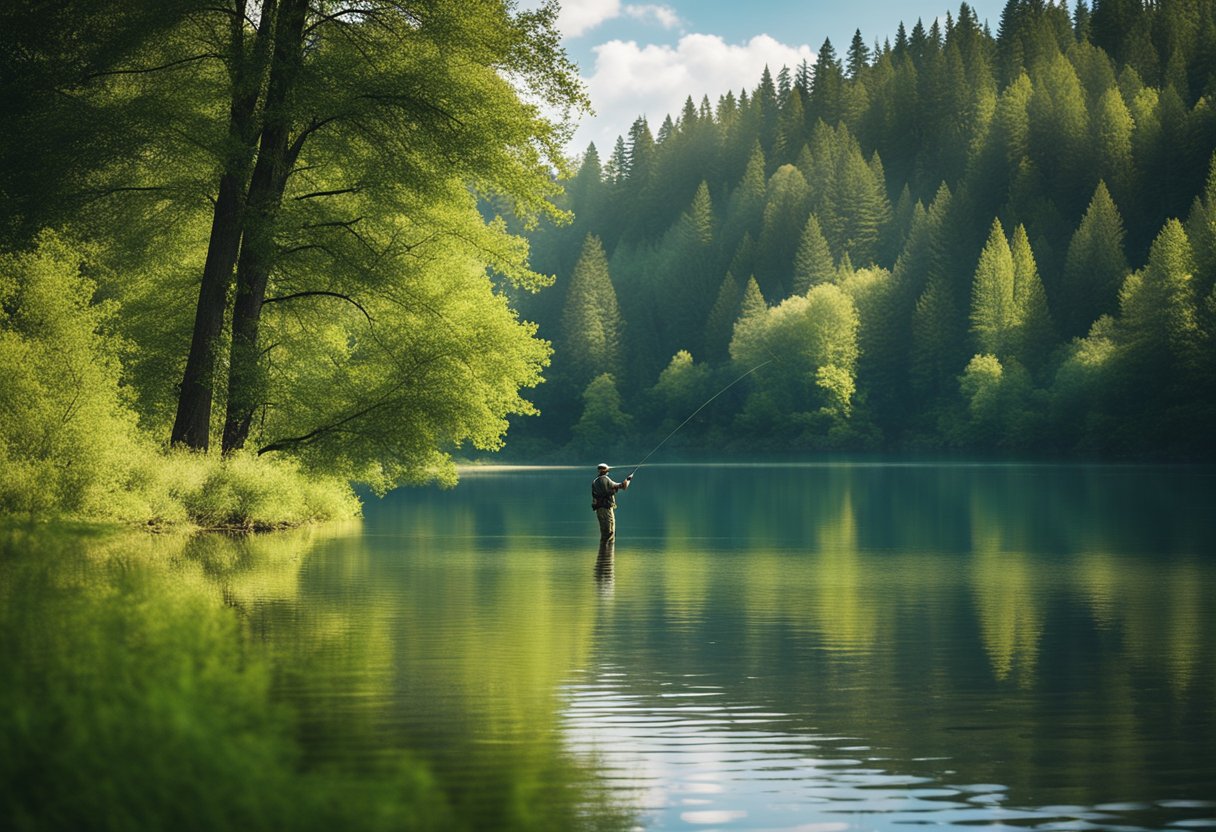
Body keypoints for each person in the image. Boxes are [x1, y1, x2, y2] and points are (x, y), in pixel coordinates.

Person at [591, 463, 631, 544]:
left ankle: (604, 551)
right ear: (606, 470)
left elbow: (618, 486)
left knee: (604, 530)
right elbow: (618, 487)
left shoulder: (596, 480)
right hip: (606, 508)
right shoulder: (605, 479)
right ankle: (607, 552)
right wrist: (627, 481)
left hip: (599, 509)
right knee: (609, 530)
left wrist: (627, 480)